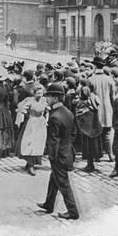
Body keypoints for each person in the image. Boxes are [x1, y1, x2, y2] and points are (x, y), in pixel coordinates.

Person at [37, 84, 79, 220]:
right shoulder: (68, 112)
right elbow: (73, 133)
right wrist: (67, 145)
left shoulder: (55, 116)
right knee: (53, 179)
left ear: (55, 98)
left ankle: (73, 212)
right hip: (67, 152)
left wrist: (52, 156)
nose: (47, 99)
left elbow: (53, 140)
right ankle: (49, 204)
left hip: (59, 156)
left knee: (63, 184)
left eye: (48, 97)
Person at [15, 84, 48, 176]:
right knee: (30, 143)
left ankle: (31, 163)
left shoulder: (44, 100)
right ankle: (30, 165)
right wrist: (22, 117)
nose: (40, 94)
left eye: (41, 92)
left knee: (38, 143)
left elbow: (47, 111)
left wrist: (46, 120)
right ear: (34, 93)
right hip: (32, 122)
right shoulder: (29, 100)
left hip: (41, 123)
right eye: (37, 92)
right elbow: (21, 109)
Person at [88, 56, 115, 162]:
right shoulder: (109, 79)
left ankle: (96, 155)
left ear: (94, 66)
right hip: (107, 109)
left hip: (96, 109)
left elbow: (89, 97)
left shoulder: (90, 79)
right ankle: (110, 154)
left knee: (95, 134)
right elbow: (112, 97)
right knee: (108, 133)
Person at [75, 86, 103, 172]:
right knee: (93, 146)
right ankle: (92, 163)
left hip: (87, 129)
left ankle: (90, 164)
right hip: (94, 129)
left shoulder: (83, 104)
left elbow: (79, 113)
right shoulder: (93, 102)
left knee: (88, 147)